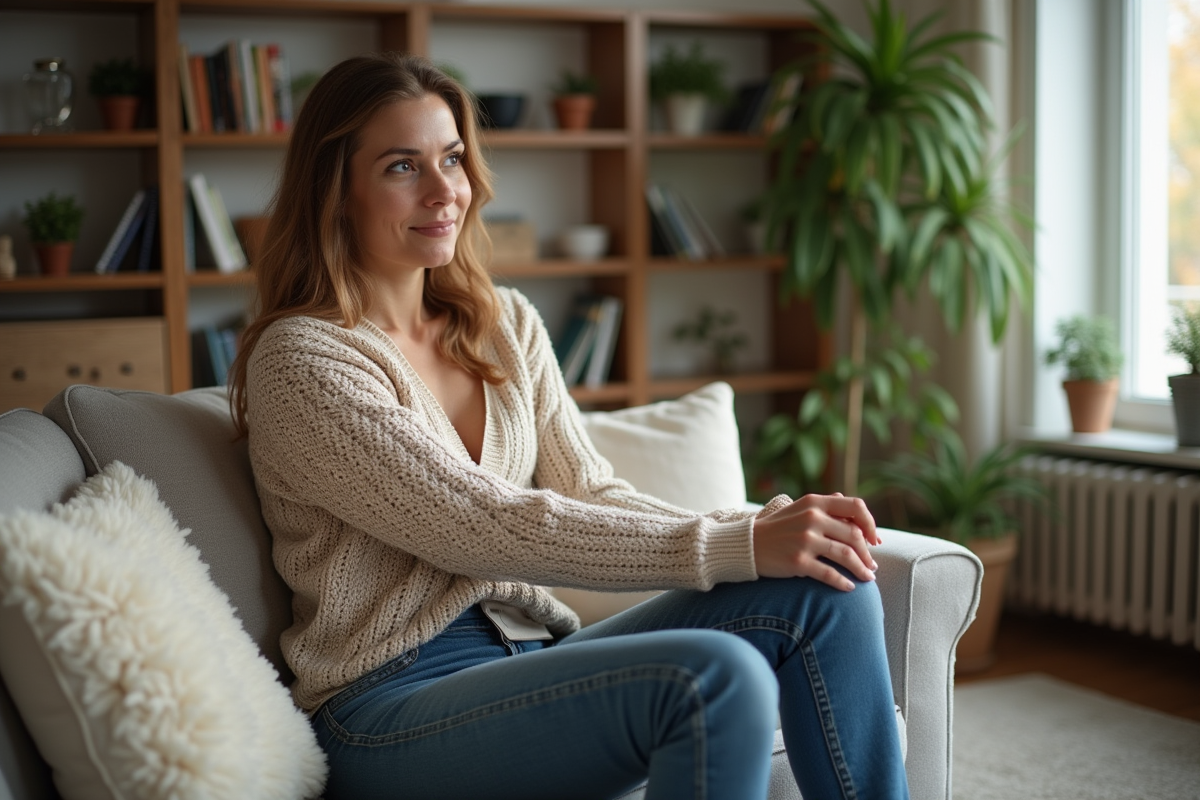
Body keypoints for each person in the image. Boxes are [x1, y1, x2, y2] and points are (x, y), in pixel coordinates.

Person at [228, 51, 909, 800]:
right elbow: (478, 524)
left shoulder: (504, 323)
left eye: (451, 158)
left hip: (534, 654)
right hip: (386, 706)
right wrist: (735, 542)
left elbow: (589, 490)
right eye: (401, 167)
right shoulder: (303, 359)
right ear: (336, 190)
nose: (442, 191)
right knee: (717, 675)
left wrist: (758, 536)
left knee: (829, 586)